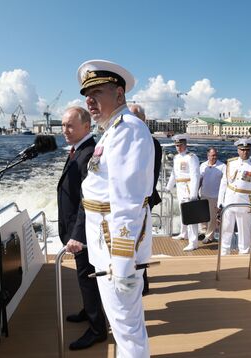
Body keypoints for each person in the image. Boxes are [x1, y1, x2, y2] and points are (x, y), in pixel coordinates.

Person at [78, 59, 154, 358]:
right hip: (103, 240)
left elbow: (128, 201)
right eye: (86, 93)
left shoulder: (127, 130)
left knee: (127, 326)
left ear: (119, 95)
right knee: (122, 324)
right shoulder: (111, 131)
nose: (89, 100)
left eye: (97, 91)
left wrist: (123, 262)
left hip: (114, 245)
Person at [57, 106, 107, 350]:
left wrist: (77, 235)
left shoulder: (89, 154)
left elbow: (88, 199)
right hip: (77, 229)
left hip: (84, 232)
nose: (64, 130)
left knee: (87, 278)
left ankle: (98, 329)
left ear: (86, 127)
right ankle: (89, 310)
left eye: (69, 125)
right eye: (63, 125)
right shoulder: (78, 150)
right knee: (84, 277)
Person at [129, 103, 162, 295]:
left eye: (134, 116)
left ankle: (142, 285)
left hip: (141, 202)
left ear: (143, 119)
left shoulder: (150, 143)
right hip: (133, 203)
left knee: (139, 246)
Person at [165, 134, 200, 251]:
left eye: (180, 145)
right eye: (176, 145)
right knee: (182, 212)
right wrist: (168, 187)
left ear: (185, 145)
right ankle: (183, 233)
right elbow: (174, 174)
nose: (178, 148)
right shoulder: (176, 158)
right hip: (180, 188)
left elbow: (195, 176)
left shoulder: (191, 157)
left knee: (190, 215)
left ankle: (193, 242)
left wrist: (194, 193)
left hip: (188, 188)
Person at [198, 147, 225, 243]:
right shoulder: (202, 165)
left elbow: (225, 183)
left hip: (215, 196)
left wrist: (223, 199)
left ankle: (209, 237)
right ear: (208, 155)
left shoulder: (222, 166)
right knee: (203, 215)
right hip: (203, 194)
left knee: (212, 218)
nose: (214, 157)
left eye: (215, 155)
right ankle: (203, 232)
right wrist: (196, 192)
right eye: (212, 155)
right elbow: (200, 180)